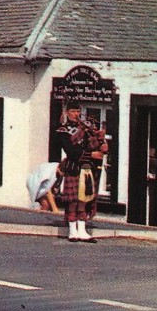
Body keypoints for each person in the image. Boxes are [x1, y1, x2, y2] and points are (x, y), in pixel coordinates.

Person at [55, 103, 107, 243]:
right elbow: (71, 151)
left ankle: (82, 231)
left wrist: (100, 140)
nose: (76, 113)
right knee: (73, 201)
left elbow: (95, 146)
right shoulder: (62, 130)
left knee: (84, 200)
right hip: (73, 168)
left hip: (86, 169)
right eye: (73, 111)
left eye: (78, 111)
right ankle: (73, 231)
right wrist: (91, 155)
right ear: (67, 112)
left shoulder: (86, 128)